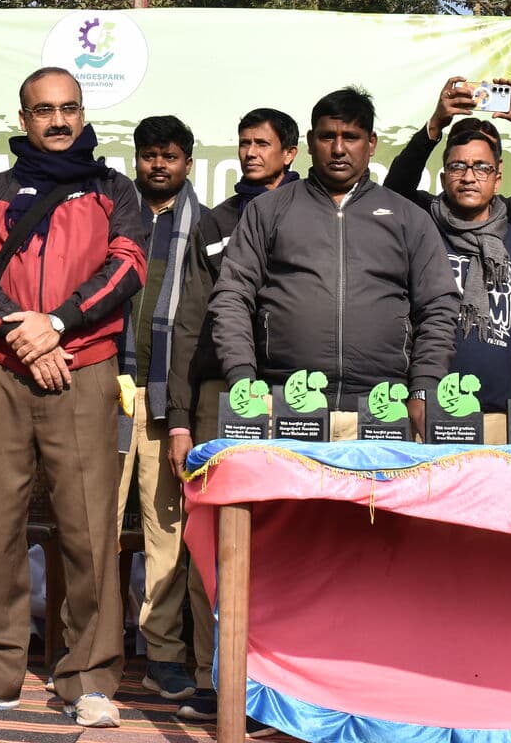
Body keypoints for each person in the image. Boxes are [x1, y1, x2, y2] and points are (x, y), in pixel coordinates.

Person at [0, 67, 147, 727]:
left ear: (83, 114)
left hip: (84, 367)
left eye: (69, 109)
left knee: (88, 529)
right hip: (3, 369)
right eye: (43, 111)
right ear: (23, 118)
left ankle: (87, 678)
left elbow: (128, 267)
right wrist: (21, 331)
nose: (58, 121)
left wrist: (57, 323)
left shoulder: (116, 189)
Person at [209, 87, 459, 442]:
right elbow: (232, 295)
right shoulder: (267, 211)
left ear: (371, 143)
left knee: (372, 501)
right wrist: (243, 379)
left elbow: (438, 306)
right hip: (283, 407)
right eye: (328, 136)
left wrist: (423, 389)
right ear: (311, 141)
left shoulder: (408, 218)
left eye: (351, 137)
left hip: (383, 410)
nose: (339, 149)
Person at [164, 106, 299, 722]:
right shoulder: (216, 223)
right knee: (215, 544)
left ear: (290, 153)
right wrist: (181, 416)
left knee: (290, 548)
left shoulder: (315, 213)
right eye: (243, 143)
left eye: (263, 144)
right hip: (221, 397)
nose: (250, 153)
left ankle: (285, 689)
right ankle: (210, 678)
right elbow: (189, 322)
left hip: (298, 399)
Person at [383, 78, 511, 438]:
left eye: (481, 168)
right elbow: (395, 191)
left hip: (501, 416)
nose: (469, 177)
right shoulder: (424, 222)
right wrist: (435, 125)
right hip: (427, 412)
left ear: (498, 178)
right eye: (458, 167)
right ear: (443, 175)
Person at [116, 115, 204, 704]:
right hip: (104, 389)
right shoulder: (113, 219)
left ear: (188, 163)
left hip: (167, 396)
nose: (158, 165)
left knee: (165, 532)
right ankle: (89, 645)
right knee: (91, 524)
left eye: (169, 156)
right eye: (149, 155)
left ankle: (164, 654)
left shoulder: (207, 227)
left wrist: (181, 407)